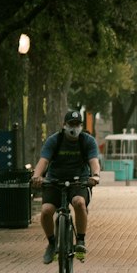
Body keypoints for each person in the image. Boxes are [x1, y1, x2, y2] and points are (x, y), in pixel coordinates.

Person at [31, 110, 101, 264]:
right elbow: (43, 161)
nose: (74, 128)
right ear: (64, 125)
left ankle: (80, 241)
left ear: (81, 126)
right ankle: (51, 243)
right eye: (71, 124)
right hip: (54, 181)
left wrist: (95, 176)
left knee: (79, 202)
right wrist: (37, 176)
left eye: (77, 124)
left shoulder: (87, 141)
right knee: (46, 211)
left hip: (79, 181)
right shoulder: (54, 140)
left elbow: (94, 162)